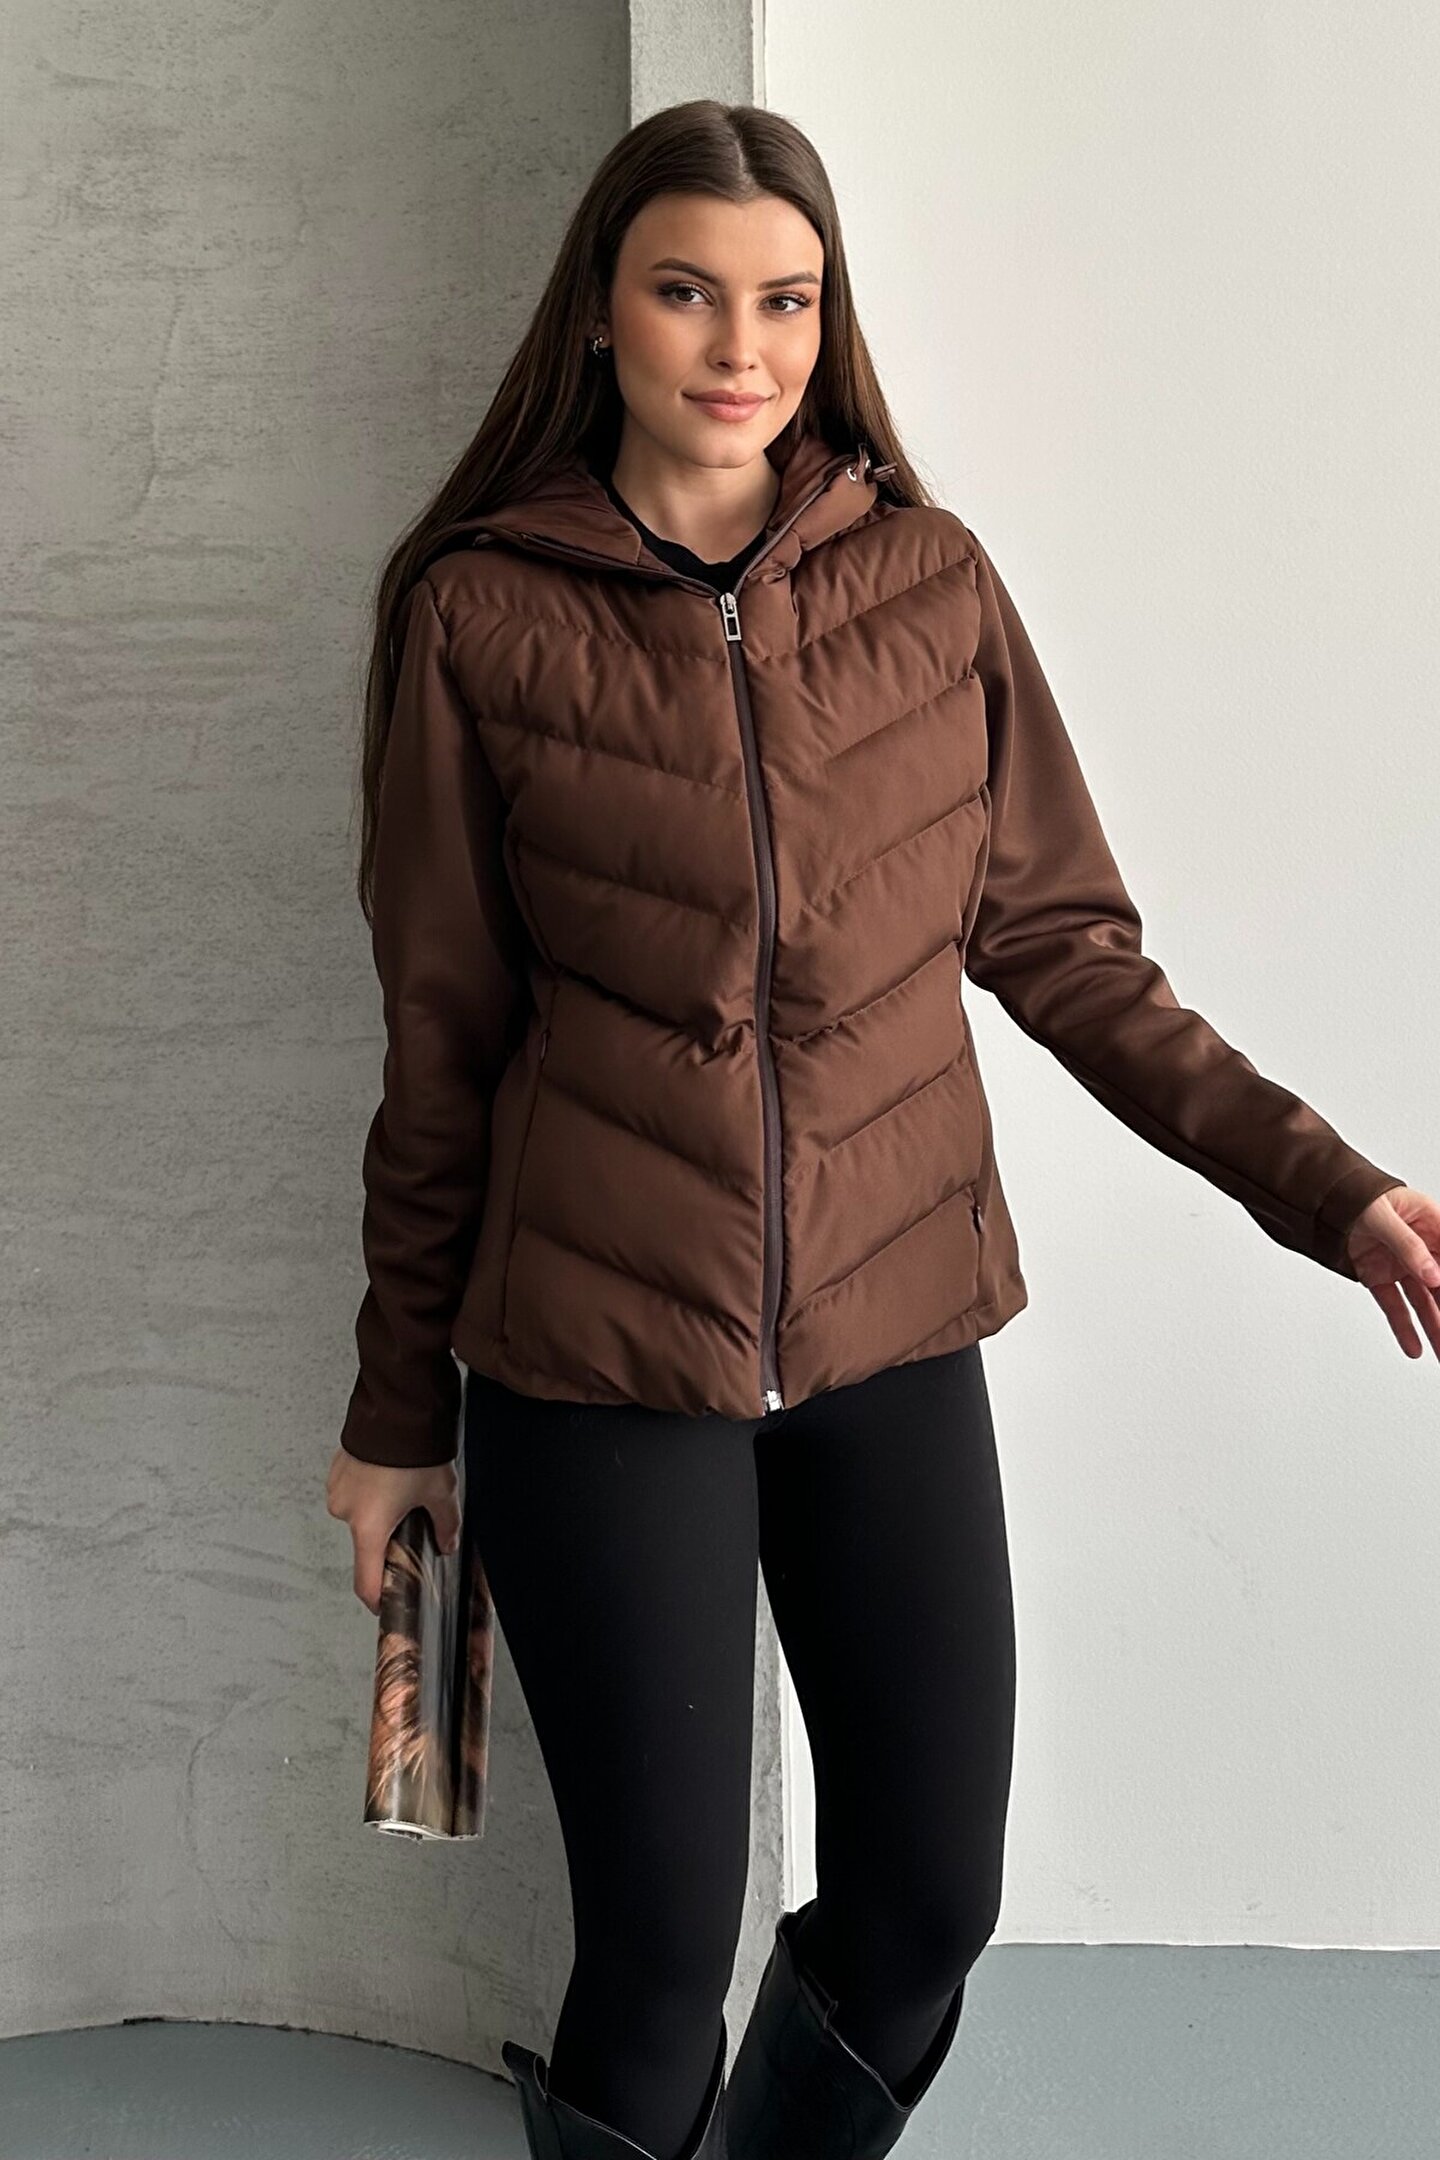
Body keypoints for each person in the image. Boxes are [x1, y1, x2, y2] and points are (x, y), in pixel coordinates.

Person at [325, 98, 1440, 2160]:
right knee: (657, 1960)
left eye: (787, 300)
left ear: (830, 324)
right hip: (595, 1358)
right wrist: (400, 1410)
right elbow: (441, 1043)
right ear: (600, 311)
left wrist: (1334, 1188)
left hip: (891, 1332)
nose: (739, 347)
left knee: (930, 1903)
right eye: (687, 293)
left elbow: (1071, 954)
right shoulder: (483, 617)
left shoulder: (931, 587)